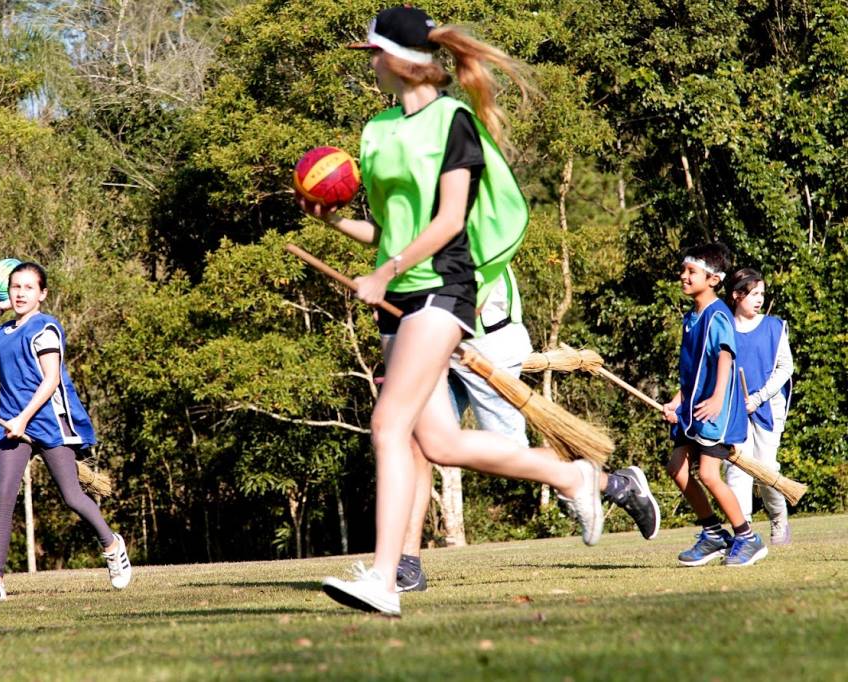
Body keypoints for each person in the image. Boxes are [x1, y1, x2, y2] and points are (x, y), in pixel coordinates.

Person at [302, 6, 604, 617]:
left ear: (402, 59)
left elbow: (447, 222)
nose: (372, 66)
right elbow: (390, 229)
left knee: (388, 426)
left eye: (375, 54)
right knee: (436, 441)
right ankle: (574, 478)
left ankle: (384, 579)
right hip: (398, 296)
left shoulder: (455, 123)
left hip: (444, 287)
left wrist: (384, 271)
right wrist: (339, 224)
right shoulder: (377, 130)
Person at [396, 272, 660, 593]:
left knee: (510, 455)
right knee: (417, 441)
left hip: (486, 344)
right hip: (436, 341)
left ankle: (613, 483)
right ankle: (407, 565)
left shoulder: (474, 225)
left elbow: (477, 276)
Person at [0, 261, 132, 601]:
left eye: (28, 287)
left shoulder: (45, 328)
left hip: (47, 422)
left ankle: (112, 545)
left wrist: (24, 419)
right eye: (15, 287)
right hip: (11, 423)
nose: (20, 293)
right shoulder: (5, 332)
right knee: (4, 498)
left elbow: (51, 379)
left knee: (72, 496)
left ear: (42, 294)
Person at [661, 244, 767, 567]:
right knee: (677, 468)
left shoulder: (718, 313)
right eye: (683, 270)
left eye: (691, 271)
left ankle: (747, 537)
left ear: (714, 279)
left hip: (716, 411)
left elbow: (725, 356)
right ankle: (712, 533)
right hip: (693, 409)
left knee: (708, 473)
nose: (683, 276)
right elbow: (692, 373)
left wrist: (719, 397)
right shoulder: (690, 319)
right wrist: (676, 402)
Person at [724, 268, 793, 546]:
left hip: (767, 408)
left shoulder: (774, 327)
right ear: (736, 295)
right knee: (737, 469)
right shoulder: (724, 326)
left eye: (762, 294)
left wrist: (759, 397)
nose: (759, 299)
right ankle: (745, 531)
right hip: (734, 409)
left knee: (765, 470)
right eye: (754, 294)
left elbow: (785, 368)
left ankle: (779, 520)